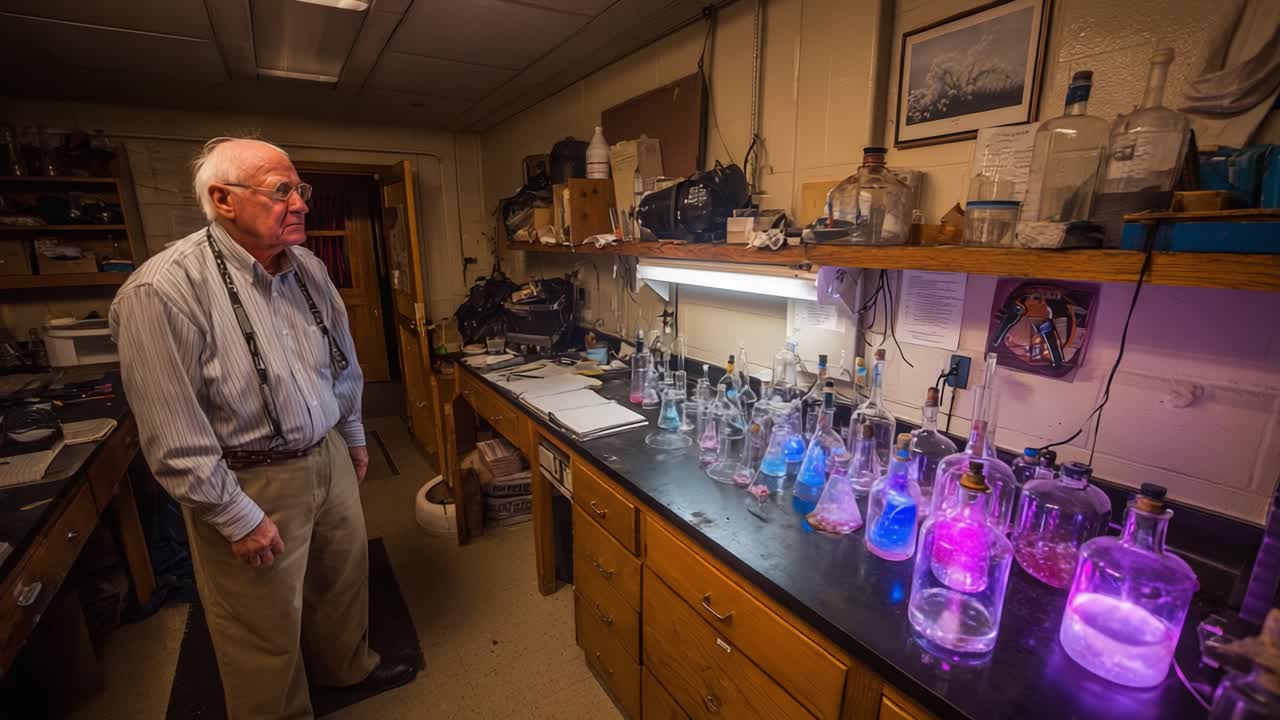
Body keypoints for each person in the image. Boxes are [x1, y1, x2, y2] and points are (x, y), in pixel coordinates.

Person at [110, 136, 414, 719]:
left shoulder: (308, 268)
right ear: (224, 199)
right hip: (248, 479)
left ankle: (347, 671)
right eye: (282, 191)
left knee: (342, 580)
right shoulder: (163, 290)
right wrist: (232, 514)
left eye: (301, 189)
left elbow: (340, 360)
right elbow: (172, 432)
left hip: (325, 454)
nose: (300, 203)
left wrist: (350, 436)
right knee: (260, 623)